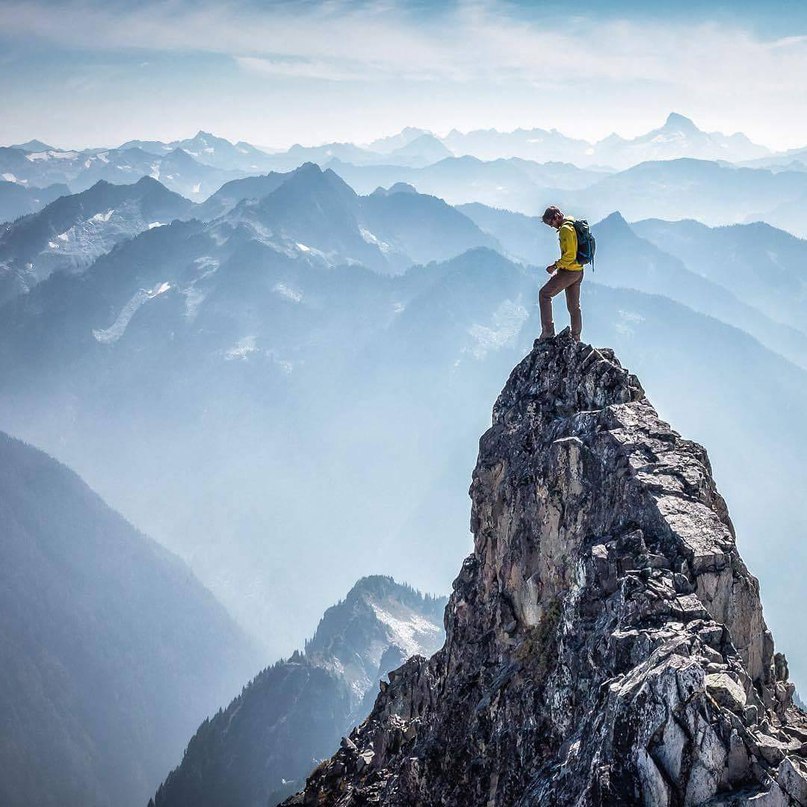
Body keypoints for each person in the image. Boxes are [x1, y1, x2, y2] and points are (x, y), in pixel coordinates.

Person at [539, 205, 583, 342]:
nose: (551, 226)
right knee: (574, 307)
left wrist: (555, 266)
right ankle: (576, 338)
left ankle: (548, 332)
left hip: (569, 272)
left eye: (551, 223)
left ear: (557, 216)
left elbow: (570, 256)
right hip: (578, 271)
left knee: (544, 294)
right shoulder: (571, 223)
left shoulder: (565, 230)